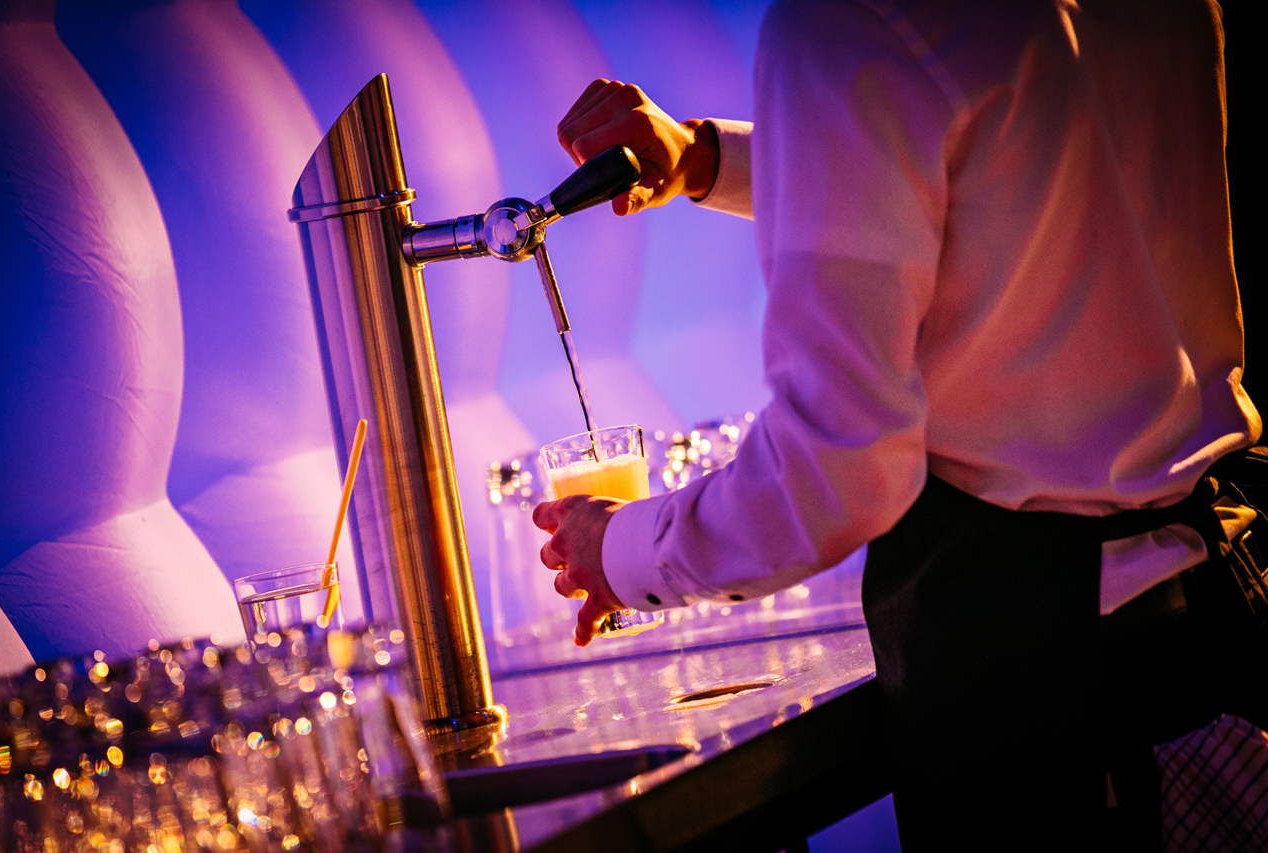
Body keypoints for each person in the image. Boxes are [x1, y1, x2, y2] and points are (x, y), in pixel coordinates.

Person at [533, 0, 1263, 847]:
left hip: (1044, 679)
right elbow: (1011, 172)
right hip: (1219, 603)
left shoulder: (841, 25)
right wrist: (704, 158)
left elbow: (833, 474)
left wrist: (621, 549)